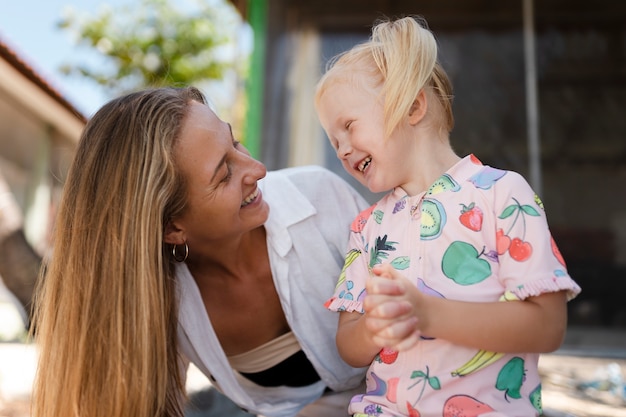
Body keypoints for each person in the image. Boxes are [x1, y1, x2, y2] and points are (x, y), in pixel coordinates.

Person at [30, 86, 368, 417]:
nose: (258, 169)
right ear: (172, 229)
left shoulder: (320, 198)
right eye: (224, 175)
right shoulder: (155, 298)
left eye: (235, 142)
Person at [314, 16, 581, 417]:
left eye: (349, 126)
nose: (343, 149)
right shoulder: (368, 227)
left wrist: (427, 313)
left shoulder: (502, 194)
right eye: (334, 141)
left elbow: (547, 326)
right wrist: (374, 327)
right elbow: (348, 346)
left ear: (414, 107)